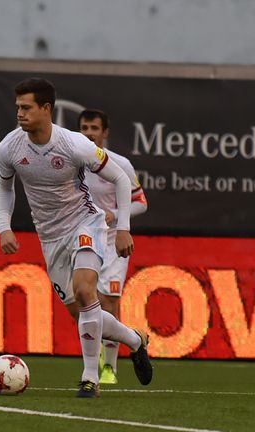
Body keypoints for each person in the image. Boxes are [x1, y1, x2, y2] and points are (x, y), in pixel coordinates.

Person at [0, 78, 152, 398]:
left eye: (26, 108)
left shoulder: (74, 144)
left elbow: (121, 179)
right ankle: (135, 341)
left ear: (46, 109)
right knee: (83, 312)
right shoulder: (9, 147)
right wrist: (4, 226)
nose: (20, 114)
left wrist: (123, 229)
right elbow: (5, 187)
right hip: (50, 238)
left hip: (86, 224)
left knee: (84, 291)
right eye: (17, 108)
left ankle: (90, 378)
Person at [78, 109, 147, 385]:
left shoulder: (120, 165)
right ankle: (95, 361)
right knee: (85, 299)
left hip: (112, 240)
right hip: (84, 238)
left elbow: (141, 202)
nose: (89, 133)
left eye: (94, 128)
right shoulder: (73, 163)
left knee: (109, 301)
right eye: (84, 127)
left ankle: (109, 368)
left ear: (105, 132)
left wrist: (116, 217)